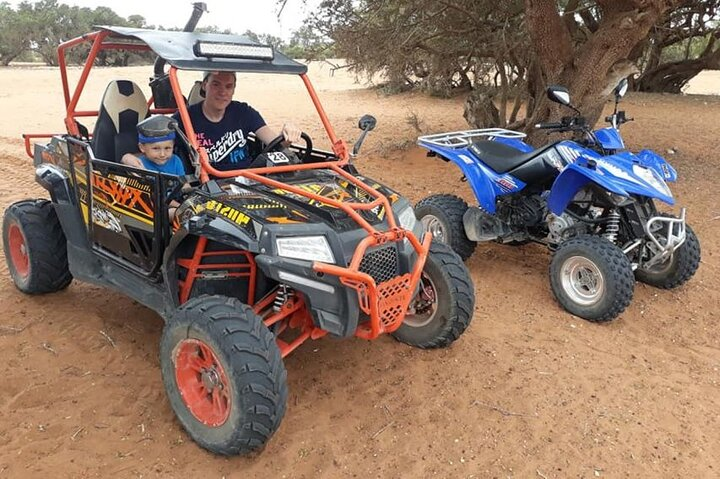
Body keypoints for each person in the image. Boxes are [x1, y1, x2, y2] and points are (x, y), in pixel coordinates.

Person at [175, 70, 302, 170]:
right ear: (204, 85)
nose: (222, 92)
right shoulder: (185, 117)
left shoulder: (243, 112)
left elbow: (275, 144)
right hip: (207, 188)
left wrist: (287, 133)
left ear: (233, 90)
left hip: (246, 182)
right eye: (216, 84)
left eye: (228, 86)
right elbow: (159, 143)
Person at [121, 115, 186, 176]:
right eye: (155, 148)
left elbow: (185, 185)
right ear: (142, 147)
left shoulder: (176, 161)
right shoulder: (138, 164)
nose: (162, 154)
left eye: (167, 148)